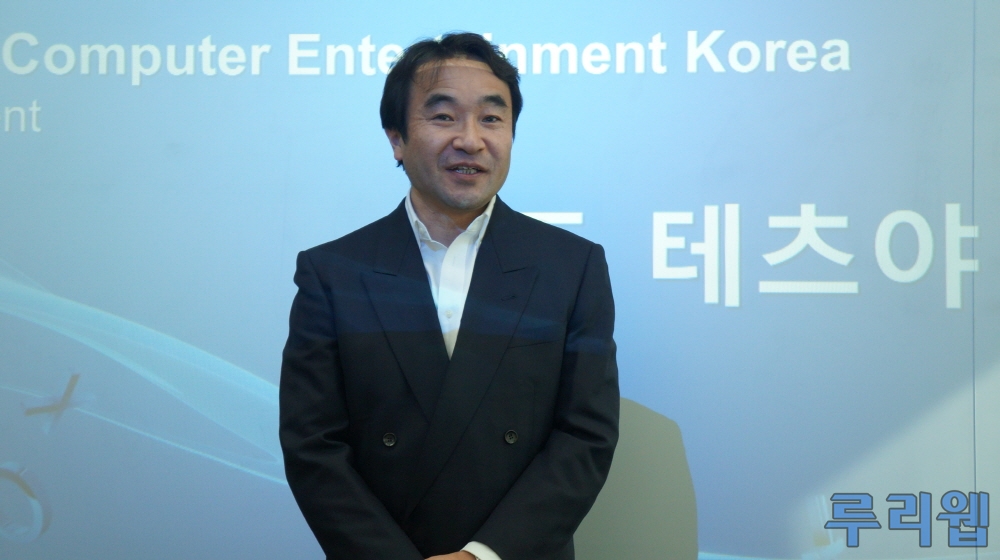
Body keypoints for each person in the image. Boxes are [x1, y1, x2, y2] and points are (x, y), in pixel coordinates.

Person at [279, 32, 619, 560]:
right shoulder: (333, 273)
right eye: (443, 117)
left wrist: (482, 555)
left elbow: (585, 436)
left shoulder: (570, 266)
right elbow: (313, 445)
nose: (471, 140)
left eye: (491, 118)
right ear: (396, 139)